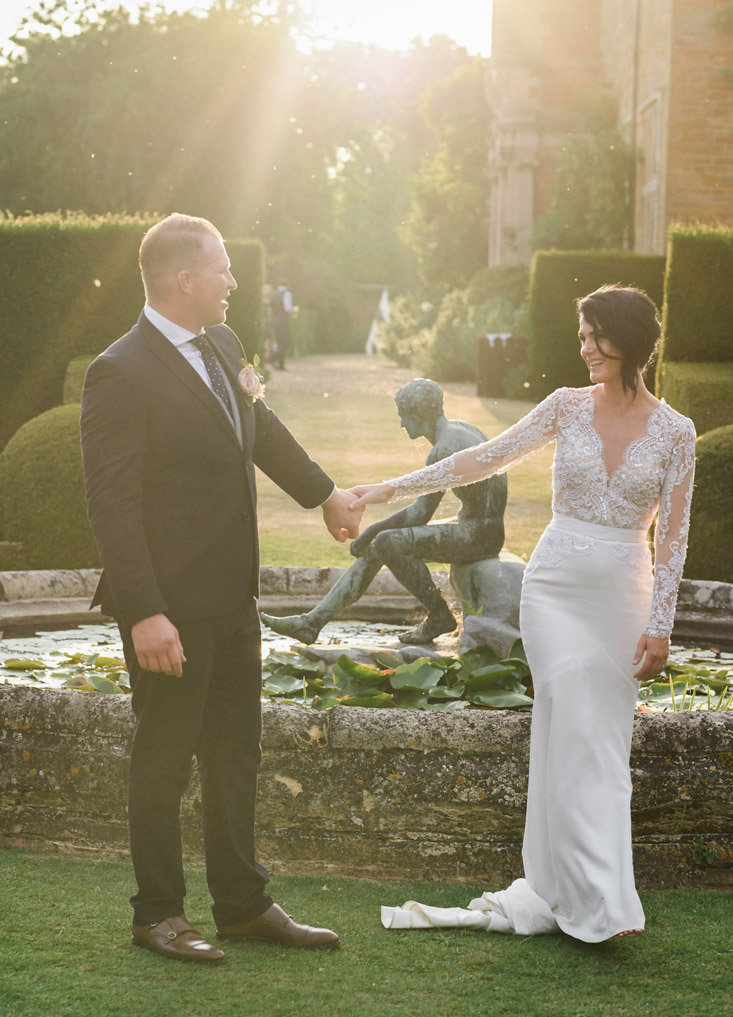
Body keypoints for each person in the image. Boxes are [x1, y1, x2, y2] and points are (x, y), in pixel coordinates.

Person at [348, 285, 696, 942]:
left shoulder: (676, 433)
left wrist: (661, 624)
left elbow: (672, 536)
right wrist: (385, 489)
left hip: (622, 595)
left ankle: (587, 890)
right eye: (583, 336)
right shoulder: (564, 407)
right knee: (569, 729)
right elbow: (481, 458)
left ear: (630, 339)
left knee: (601, 744)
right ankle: (599, 906)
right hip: (555, 591)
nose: (585, 347)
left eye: (597, 335)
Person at [81, 214, 362, 964]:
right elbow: (112, 504)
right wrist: (144, 612)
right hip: (167, 608)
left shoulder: (227, 345)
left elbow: (259, 425)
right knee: (164, 760)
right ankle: (158, 916)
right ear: (185, 280)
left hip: (234, 597)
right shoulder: (119, 370)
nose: (235, 281)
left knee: (236, 753)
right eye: (225, 269)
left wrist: (325, 494)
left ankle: (241, 906)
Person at [262, 377, 508, 645]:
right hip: (480, 527)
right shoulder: (461, 428)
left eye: (404, 417)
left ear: (418, 415)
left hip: (481, 536)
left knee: (388, 542)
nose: (402, 424)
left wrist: (371, 531)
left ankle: (439, 616)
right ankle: (312, 622)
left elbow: (420, 514)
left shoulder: (443, 450)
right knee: (382, 543)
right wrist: (374, 535)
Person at [271, 279, 293, 370]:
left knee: (280, 341)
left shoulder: (273, 294)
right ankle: (272, 358)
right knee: (286, 341)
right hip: (283, 321)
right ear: (287, 285)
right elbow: (288, 309)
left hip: (274, 320)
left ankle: (280, 364)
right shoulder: (287, 294)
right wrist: (294, 311)